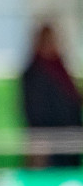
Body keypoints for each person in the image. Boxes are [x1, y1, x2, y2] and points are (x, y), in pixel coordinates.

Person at [20, 23, 82, 167]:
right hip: (48, 143)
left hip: (69, 140)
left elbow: (72, 100)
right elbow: (35, 110)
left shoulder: (60, 68)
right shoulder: (34, 73)